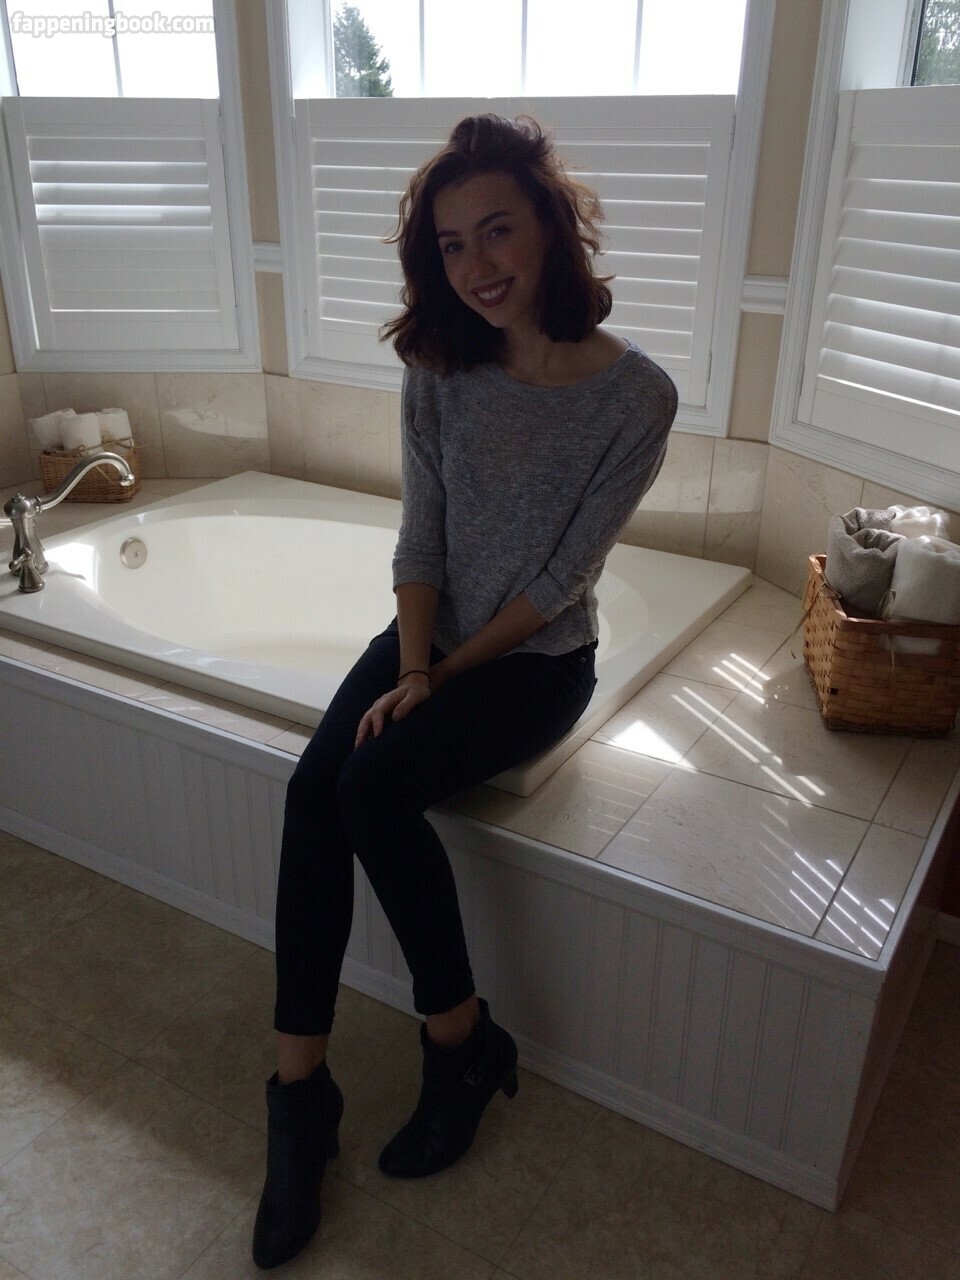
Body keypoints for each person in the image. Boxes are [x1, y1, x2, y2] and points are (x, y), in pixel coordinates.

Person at [252, 113, 677, 1270]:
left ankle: (462, 1043)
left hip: (535, 663)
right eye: (451, 244)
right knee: (315, 789)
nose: (477, 264)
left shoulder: (636, 396)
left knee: (373, 787)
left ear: (549, 226)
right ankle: (300, 1098)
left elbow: (562, 576)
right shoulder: (438, 368)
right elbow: (422, 539)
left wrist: (437, 678)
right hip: (430, 637)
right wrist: (410, 661)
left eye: (497, 230)